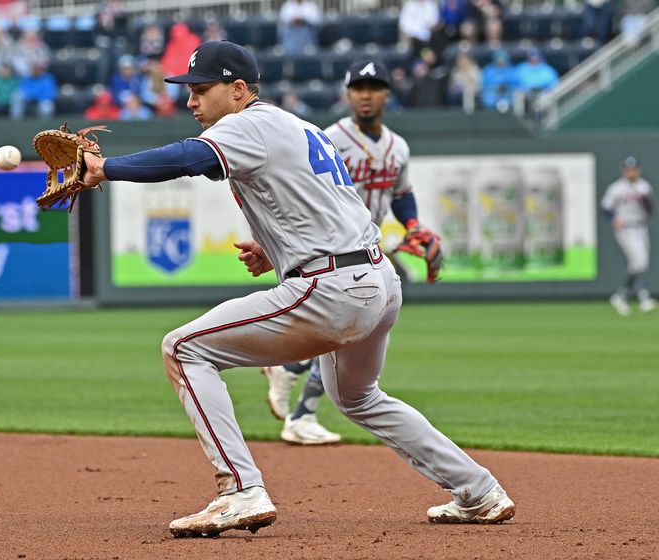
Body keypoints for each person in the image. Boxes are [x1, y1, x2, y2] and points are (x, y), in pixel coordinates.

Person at [78, 40, 515, 537]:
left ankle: (239, 490)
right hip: (377, 279)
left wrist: (104, 168)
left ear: (238, 90)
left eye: (201, 89)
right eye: (188, 91)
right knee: (359, 397)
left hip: (331, 289)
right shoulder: (298, 126)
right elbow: (330, 201)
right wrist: (275, 248)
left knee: (182, 349)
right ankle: (479, 491)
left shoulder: (246, 124)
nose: (191, 101)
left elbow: (186, 158)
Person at [262, 60, 446, 445]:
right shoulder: (326, 139)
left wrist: (411, 225)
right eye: (359, 88)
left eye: (374, 87)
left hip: (367, 248)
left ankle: (291, 372)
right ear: (347, 95)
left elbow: (402, 193)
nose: (366, 95)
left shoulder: (399, 147)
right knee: (346, 334)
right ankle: (301, 411)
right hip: (329, 245)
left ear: (386, 95)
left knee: (347, 333)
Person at [601, 156, 656, 315]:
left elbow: (651, 210)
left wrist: (645, 201)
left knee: (639, 263)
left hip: (640, 227)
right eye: (628, 169)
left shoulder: (644, 187)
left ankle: (622, 296)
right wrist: (613, 219)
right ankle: (642, 296)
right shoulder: (616, 189)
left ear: (638, 170)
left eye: (634, 169)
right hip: (625, 228)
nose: (631, 172)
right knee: (639, 262)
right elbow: (605, 209)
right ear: (624, 171)